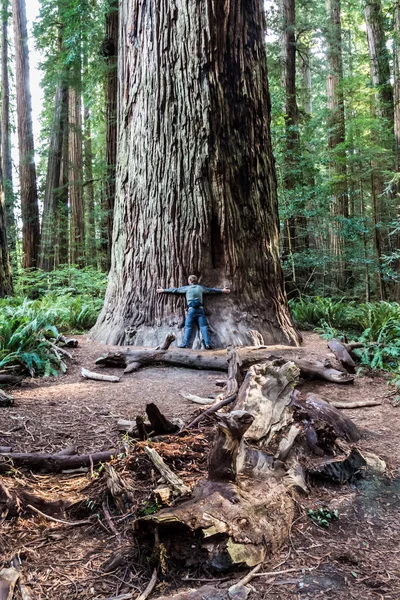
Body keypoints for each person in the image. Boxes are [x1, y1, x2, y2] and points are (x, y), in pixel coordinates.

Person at [156, 275, 230, 349]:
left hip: (191, 310)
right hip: (200, 310)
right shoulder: (200, 288)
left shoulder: (187, 288)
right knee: (203, 327)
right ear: (196, 281)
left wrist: (163, 290)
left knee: (188, 327)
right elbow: (211, 290)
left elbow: (175, 290)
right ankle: (208, 344)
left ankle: (185, 344)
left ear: (189, 281)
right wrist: (222, 290)